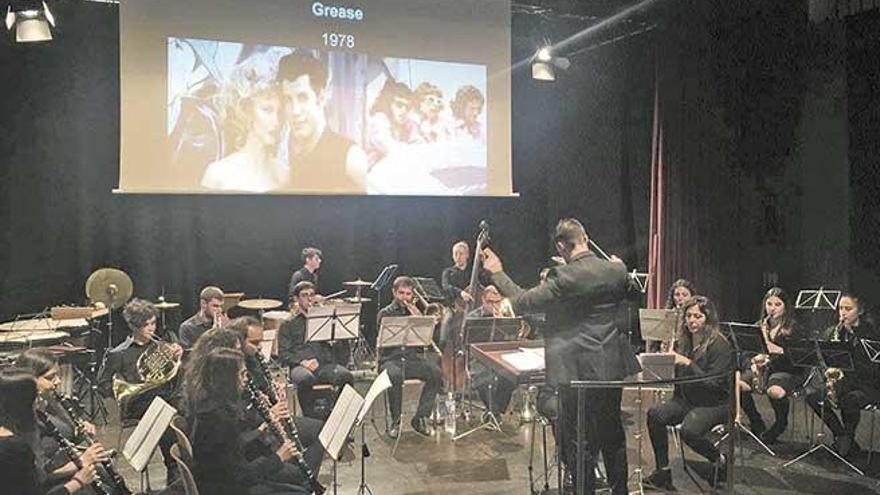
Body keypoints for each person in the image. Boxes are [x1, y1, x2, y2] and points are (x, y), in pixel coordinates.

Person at [482, 218, 640, 495]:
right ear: (586, 238)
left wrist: (498, 273)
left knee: (578, 440)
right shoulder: (616, 269)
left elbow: (524, 299)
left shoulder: (563, 277)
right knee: (612, 433)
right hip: (610, 365)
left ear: (561, 246)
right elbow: (628, 287)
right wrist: (618, 268)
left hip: (576, 368)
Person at [184, 348, 307, 495]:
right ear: (228, 378)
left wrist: (260, 431)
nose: (246, 379)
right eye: (242, 374)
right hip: (226, 489)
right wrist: (279, 457)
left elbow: (229, 451)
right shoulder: (219, 419)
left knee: (299, 487)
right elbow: (240, 476)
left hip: (221, 483)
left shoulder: (212, 405)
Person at [643, 296, 734, 490]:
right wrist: (660, 364)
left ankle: (719, 458)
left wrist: (687, 363)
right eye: (689, 316)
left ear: (708, 319)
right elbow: (677, 379)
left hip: (715, 403)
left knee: (689, 430)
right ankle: (663, 471)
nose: (692, 320)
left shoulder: (719, 345)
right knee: (655, 414)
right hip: (687, 399)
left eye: (698, 316)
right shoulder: (683, 341)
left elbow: (714, 384)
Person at [97, 298, 183, 482]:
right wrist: (128, 391)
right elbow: (102, 384)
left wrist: (177, 358)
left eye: (153, 323)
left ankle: (182, 465)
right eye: (146, 325)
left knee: (183, 409)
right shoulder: (118, 353)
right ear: (133, 326)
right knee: (166, 417)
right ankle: (173, 468)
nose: (152, 329)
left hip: (165, 398)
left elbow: (173, 377)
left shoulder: (161, 346)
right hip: (138, 404)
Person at [15, 350, 111, 494]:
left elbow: (67, 435)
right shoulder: (22, 419)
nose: (58, 382)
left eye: (57, 375)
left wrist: (80, 429)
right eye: (50, 377)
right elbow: (38, 474)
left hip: (71, 468)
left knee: (110, 481)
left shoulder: (48, 401)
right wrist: (81, 462)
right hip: (51, 486)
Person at [277, 52, 367, 193]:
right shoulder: (295, 160)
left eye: (302, 97)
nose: (295, 111)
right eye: (288, 99)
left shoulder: (351, 157)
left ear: (321, 96)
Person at [805, 293, 880, 457]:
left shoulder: (870, 334)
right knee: (812, 395)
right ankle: (842, 436)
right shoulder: (832, 332)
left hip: (866, 385)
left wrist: (853, 338)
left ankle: (846, 441)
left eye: (848, 309)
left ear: (860, 311)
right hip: (841, 383)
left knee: (850, 400)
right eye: (840, 308)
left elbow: (871, 368)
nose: (843, 313)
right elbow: (821, 358)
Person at [0, 370, 96, 495]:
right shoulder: (14, 448)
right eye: (36, 398)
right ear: (24, 405)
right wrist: (78, 481)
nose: (39, 403)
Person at [201, 60, 287, 192]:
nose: (276, 121)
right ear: (247, 110)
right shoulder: (217, 175)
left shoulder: (284, 174)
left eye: (280, 112)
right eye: (267, 110)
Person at [377, 276, 443, 439]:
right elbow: (382, 343)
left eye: (408, 294)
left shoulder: (415, 311)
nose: (405, 297)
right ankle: (396, 420)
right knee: (395, 376)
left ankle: (420, 417)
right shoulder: (385, 313)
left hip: (411, 358)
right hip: (390, 359)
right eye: (401, 293)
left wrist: (421, 320)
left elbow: (424, 341)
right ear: (394, 292)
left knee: (436, 373)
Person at [277, 282, 354, 420]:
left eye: (311, 295)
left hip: (323, 364)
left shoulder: (325, 319)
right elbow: (283, 354)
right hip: (300, 365)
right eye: (304, 295)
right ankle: (311, 418)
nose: (309, 299)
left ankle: (338, 417)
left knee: (346, 376)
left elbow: (340, 349)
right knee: (306, 379)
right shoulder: (288, 324)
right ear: (297, 299)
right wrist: (303, 362)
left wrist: (336, 340)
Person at [738, 287, 800, 444]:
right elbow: (745, 352)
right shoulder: (758, 325)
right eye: (769, 304)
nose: (772, 308)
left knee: (775, 392)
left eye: (777, 304)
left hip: (784, 370)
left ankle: (780, 424)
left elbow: (796, 357)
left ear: (786, 307)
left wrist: (772, 349)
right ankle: (756, 421)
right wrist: (752, 362)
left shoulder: (793, 328)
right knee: (736, 386)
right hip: (760, 368)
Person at [467, 285, 520, 417]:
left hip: (501, 357)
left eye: (497, 302)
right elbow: (468, 344)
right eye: (490, 302)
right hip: (479, 359)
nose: (494, 305)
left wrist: (504, 322)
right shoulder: (473, 317)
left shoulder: (507, 316)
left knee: (511, 377)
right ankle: (494, 413)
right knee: (482, 379)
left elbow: (512, 341)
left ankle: (495, 411)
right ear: (483, 300)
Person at [367, 78, 420, 165]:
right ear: (389, 103)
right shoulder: (378, 120)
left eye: (407, 107)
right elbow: (391, 149)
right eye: (399, 105)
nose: (404, 110)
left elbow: (419, 145)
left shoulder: (407, 124)